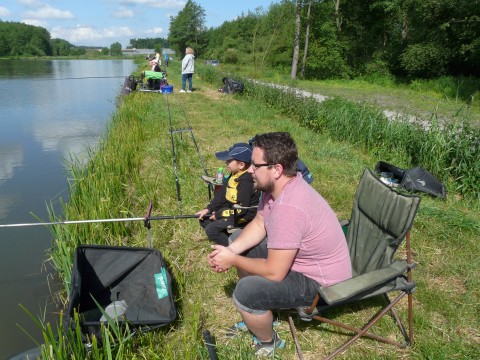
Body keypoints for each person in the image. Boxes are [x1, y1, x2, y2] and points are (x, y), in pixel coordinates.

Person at [207, 132, 352, 356]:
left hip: (321, 283)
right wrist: (231, 250)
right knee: (238, 241)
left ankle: (268, 342)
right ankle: (261, 308)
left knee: (245, 291)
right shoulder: (276, 188)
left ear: (276, 169)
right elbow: (259, 223)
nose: (251, 170)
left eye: (256, 165)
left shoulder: (289, 208)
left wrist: (233, 260)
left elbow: (275, 272)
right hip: (303, 261)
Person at [196, 143, 260, 246]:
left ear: (241, 165)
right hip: (232, 209)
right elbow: (222, 194)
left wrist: (219, 214)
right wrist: (209, 209)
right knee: (204, 218)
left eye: (229, 160)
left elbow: (241, 210)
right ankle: (229, 235)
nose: (226, 163)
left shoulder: (246, 182)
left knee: (211, 230)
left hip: (243, 216)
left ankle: (234, 250)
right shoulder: (235, 174)